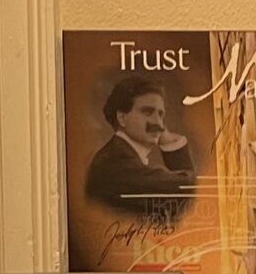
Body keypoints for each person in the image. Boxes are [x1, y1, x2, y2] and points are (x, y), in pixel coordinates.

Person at [83, 78, 199, 216]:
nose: (158, 123)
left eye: (160, 114)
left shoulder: (120, 156)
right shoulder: (114, 164)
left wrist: (169, 142)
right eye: (147, 112)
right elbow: (190, 188)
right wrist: (172, 144)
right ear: (122, 118)